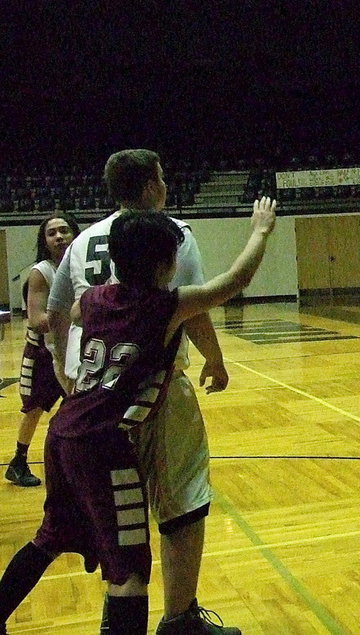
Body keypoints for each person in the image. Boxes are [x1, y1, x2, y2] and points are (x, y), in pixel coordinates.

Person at [0, 199, 276, 635]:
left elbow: (65, 314)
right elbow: (235, 281)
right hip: (104, 445)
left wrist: (63, 361)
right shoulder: (165, 305)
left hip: (63, 432)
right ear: (167, 263)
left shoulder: (91, 299)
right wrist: (260, 232)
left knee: (51, 534)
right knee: (129, 567)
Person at [46, 150, 235, 632]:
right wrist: (214, 359)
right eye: (163, 178)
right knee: (183, 500)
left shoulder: (84, 236)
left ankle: (118, 617)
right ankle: (179, 617)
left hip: (94, 394)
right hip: (156, 389)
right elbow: (190, 308)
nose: (166, 186)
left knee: (120, 516)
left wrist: (66, 371)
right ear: (151, 186)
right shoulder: (170, 232)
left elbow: (56, 311)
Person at [5, 212, 80, 487]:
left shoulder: (83, 266)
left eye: (64, 231)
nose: (59, 236)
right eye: (52, 233)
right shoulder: (41, 272)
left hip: (74, 350)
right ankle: (18, 462)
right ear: (45, 241)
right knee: (34, 409)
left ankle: (72, 459)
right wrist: (78, 311)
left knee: (78, 406)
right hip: (43, 354)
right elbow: (38, 322)